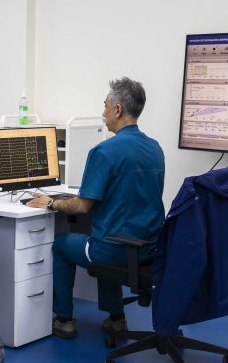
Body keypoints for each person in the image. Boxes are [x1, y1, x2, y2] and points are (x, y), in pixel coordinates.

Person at [26, 77, 165, 339]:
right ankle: (116, 318)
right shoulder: (155, 148)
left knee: (62, 245)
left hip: (113, 250)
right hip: (149, 248)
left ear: (118, 110)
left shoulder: (104, 151)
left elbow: (81, 206)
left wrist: (51, 202)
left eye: (105, 106)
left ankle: (64, 319)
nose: (103, 113)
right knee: (108, 233)